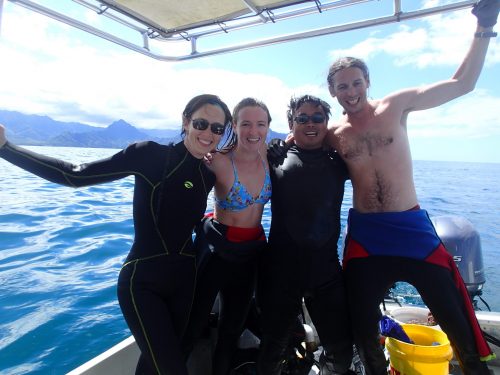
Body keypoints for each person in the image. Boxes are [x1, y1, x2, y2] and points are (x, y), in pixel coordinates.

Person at [0, 94, 233, 375]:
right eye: (201, 123)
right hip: (143, 283)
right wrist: (6, 148)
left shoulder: (207, 174)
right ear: (185, 121)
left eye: (217, 128)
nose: (208, 133)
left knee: (155, 364)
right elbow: (74, 174)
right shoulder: (149, 155)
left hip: (185, 282)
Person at [325, 1, 498, 374]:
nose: (351, 91)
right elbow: (297, 144)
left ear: (367, 82)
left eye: (356, 82)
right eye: (342, 87)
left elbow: (461, 84)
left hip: (412, 230)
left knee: (454, 314)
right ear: (334, 93)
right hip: (367, 237)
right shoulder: (332, 135)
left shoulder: (396, 106)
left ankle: (473, 365)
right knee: (363, 323)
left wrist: (484, 28)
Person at [257, 95, 354, 375]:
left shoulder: (340, 162)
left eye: (317, 118)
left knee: (341, 353)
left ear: (326, 123)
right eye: (302, 118)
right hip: (280, 272)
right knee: (272, 350)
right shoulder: (274, 157)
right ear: (291, 123)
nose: (310, 123)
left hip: (326, 272)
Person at [183, 97, 272, 375]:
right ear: (234, 125)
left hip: (251, 255)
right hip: (218, 253)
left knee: (231, 331)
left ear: (268, 127)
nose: (253, 131)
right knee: (193, 326)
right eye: (245, 123)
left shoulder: (271, 156)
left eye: (260, 124)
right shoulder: (217, 161)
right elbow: (183, 183)